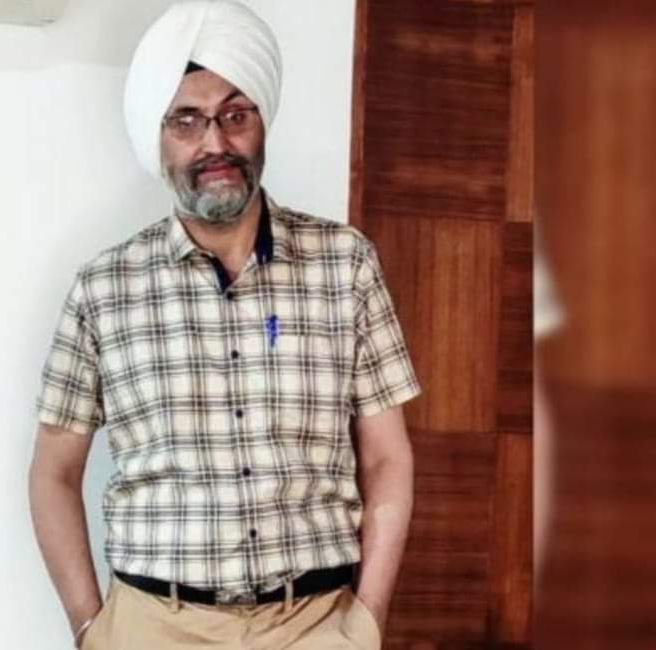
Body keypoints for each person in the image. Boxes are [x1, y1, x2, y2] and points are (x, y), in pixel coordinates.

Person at [28, 2, 421, 648]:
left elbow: (387, 456)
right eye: (186, 120)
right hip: (153, 627)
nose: (215, 143)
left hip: (315, 625)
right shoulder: (104, 289)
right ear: (157, 138)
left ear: (261, 124)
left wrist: (367, 621)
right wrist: (91, 629)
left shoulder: (345, 264)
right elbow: (53, 472)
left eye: (236, 116)